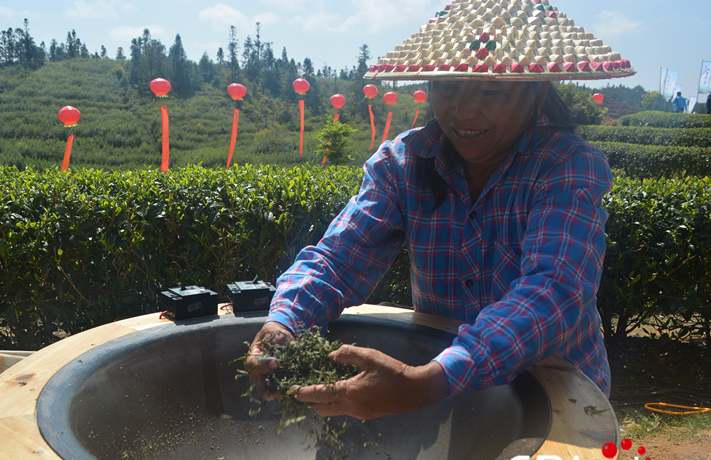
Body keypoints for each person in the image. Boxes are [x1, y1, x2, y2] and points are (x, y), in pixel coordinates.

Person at [246, 1, 635, 422]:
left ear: (537, 88)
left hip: (555, 389)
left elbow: (554, 290)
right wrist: (287, 320)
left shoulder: (565, 166)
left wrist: (432, 379)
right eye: (446, 86)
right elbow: (340, 258)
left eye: (489, 90)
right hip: (447, 385)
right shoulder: (405, 163)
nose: (463, 111)